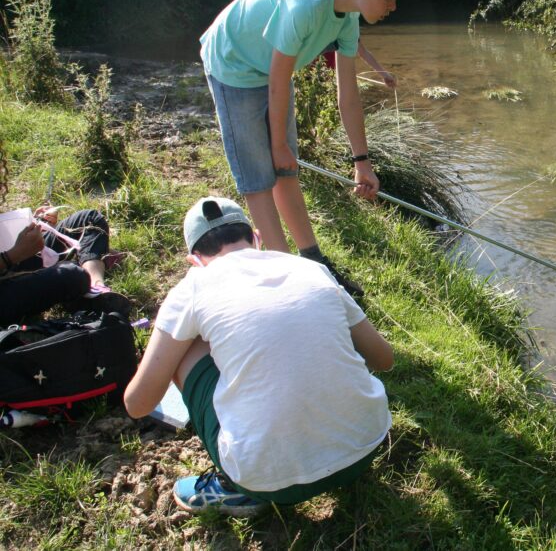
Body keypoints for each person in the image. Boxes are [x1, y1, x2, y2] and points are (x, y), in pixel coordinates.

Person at [123, 197, 393, 516]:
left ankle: (234, 487)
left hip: (270, 481)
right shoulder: (312, 269)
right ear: (257, 239)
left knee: (184, 346)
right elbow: (384, 359)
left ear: (194, 261)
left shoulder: (192, 289)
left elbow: (138, 404)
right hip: (367, 443)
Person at [199, 0, 414, 292]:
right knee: (259, 179)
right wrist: (278, 144)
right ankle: (288, 279)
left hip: (270, 73)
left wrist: (362, 162)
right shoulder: (303, 5)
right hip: (233, 64)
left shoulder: (347, 18)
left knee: (286, 171)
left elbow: (348, 94)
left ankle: (313, 261)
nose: (392, 6)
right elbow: (278, 79)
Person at [0, 205, 129, 325]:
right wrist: (13, 255)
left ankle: (96, 289)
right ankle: (85, 293)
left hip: (10, 261)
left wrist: (31, 224)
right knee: (72, 274)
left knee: (90, 219)